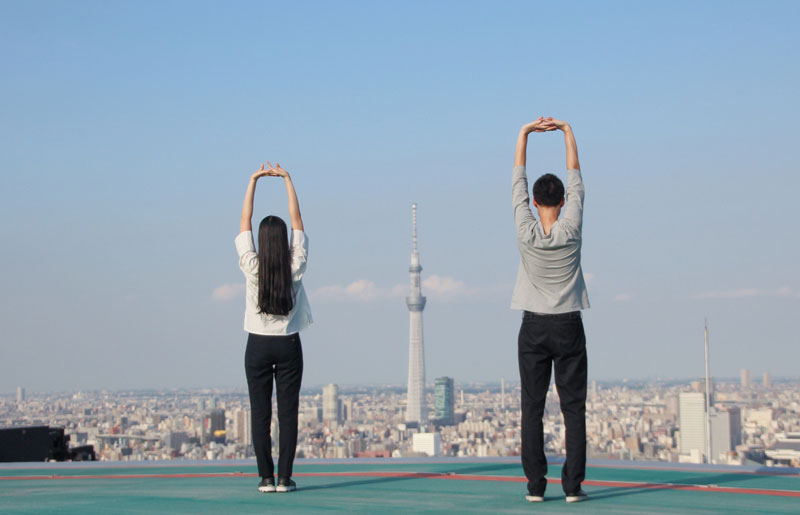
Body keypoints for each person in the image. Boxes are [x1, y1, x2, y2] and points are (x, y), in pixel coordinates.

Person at [511, 117, 590, 503]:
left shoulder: (525, 229)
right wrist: (566, 131)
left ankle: (536, 487)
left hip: (533, 326)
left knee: (532, 408)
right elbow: (576, 177)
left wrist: (524, 133)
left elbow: (516, 183)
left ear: (535, 202)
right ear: (561, 202)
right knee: (573, 408)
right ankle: (573, 486)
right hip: (569, 325)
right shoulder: (571, 226)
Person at [236, 161, 312, 493]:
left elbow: (244, 223)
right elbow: (298, 222)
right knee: (289, 414)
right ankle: (284, 478)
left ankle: (265, 478)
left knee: (260, 413)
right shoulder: (295, 266)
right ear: (282, 242)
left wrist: (253, 180)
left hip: (257, 345)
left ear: (262, 244)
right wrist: (287, 180)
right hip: (288, 344)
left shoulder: (251, 267)